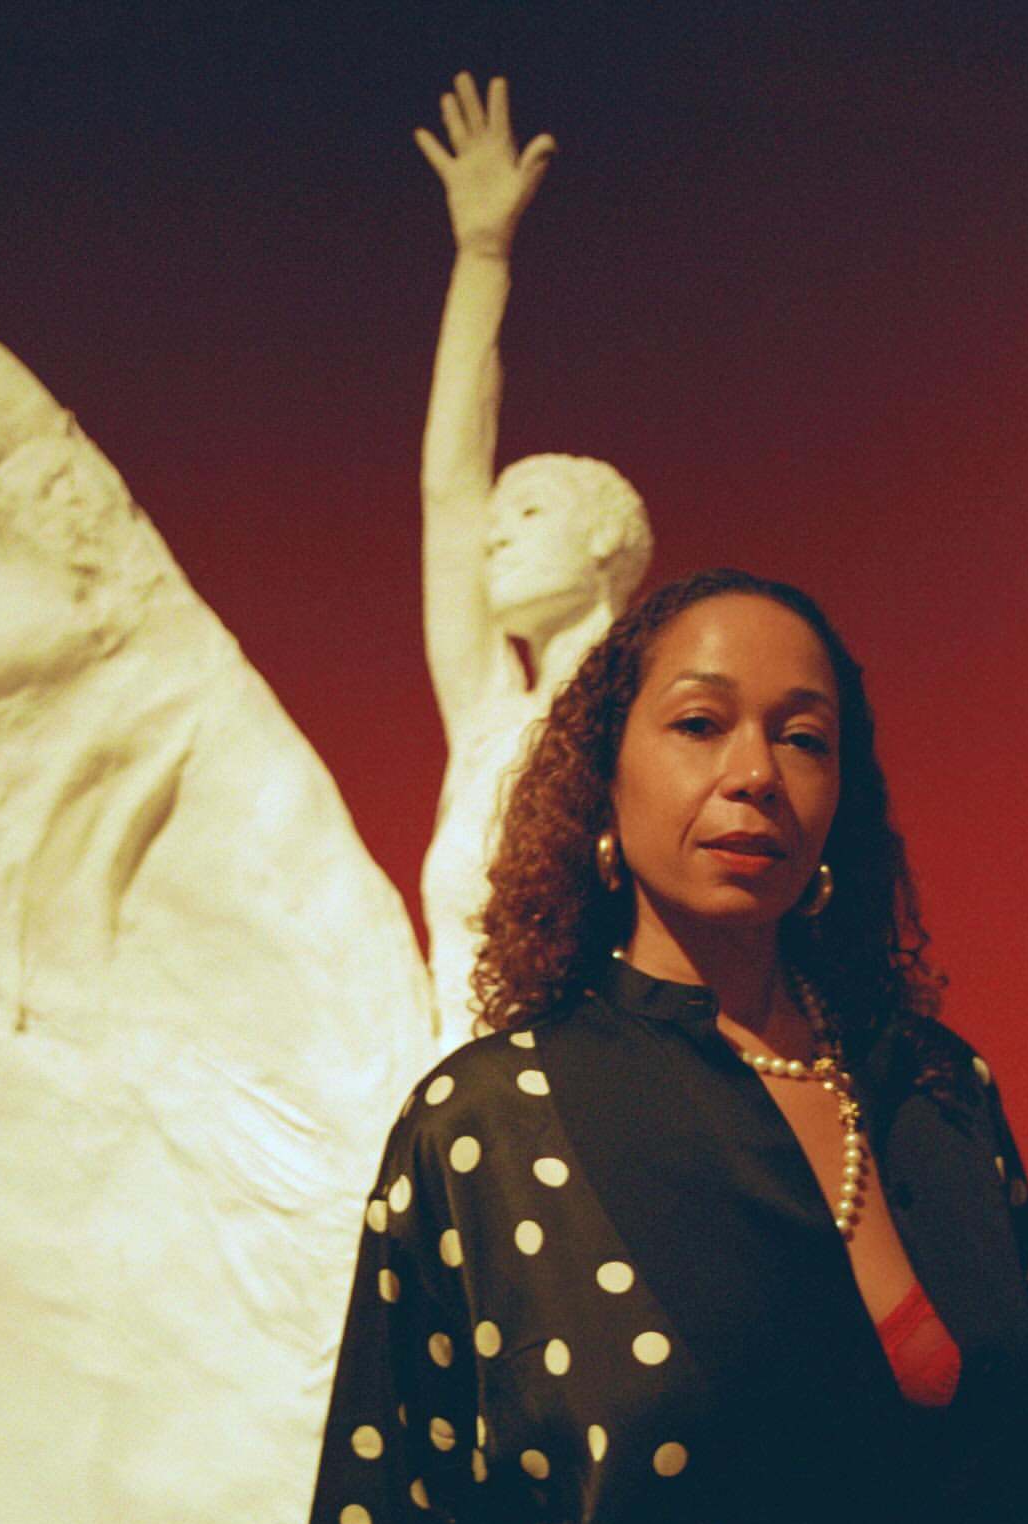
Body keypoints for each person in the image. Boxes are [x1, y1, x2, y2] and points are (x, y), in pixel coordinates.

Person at [289, 570, 1028, 1524]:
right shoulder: (491, 1128)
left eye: (804, 738)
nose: (755, 773)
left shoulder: (940, 1096)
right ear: (605, 780)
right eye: (699, 722)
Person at [414, 73, 653, 1051]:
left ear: (603, 539)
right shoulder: (489, 718)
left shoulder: (648, 722)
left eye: (530, 510)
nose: (496, 533)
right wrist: (480, 258)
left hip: (593, 1110)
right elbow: (448, 490)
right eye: (496, 520)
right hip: (453, 1098)